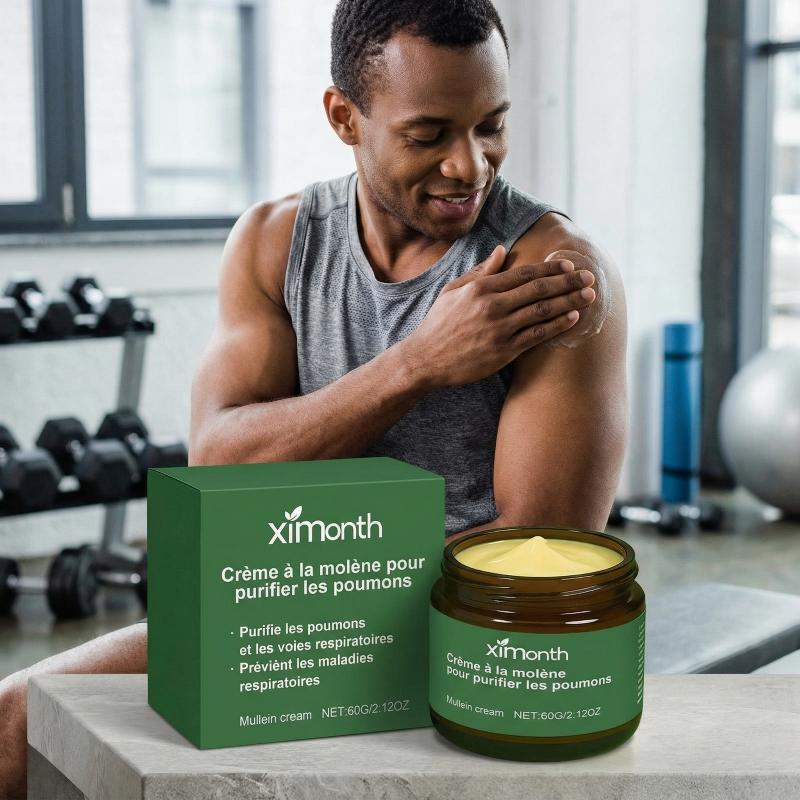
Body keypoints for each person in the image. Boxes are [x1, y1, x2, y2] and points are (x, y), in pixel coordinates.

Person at [0, 1, 627, 796]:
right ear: (344, 117)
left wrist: (315, 623)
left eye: (491, 126)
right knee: (17, 723)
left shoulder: (549, 275)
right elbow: (217, 464)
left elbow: (540, 555)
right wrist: (417, 363)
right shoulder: (276, 242)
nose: (470, 166)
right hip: (284, 617)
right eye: (429, 135)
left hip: (465, 643)